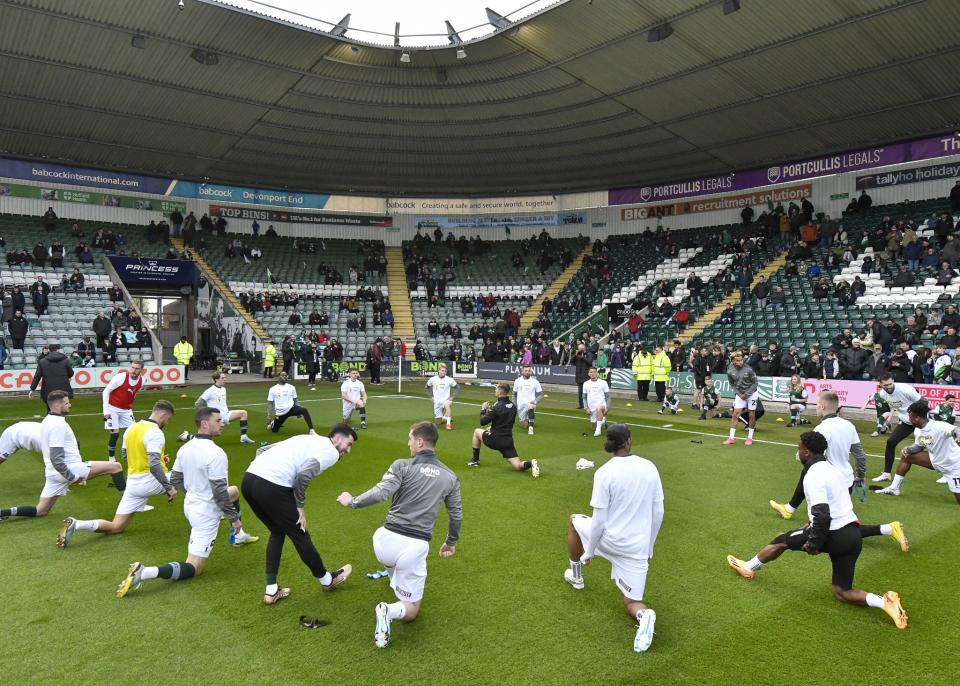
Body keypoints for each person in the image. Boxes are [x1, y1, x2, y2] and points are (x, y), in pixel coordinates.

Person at [726, 432, 908, 630]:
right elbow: (833, 506)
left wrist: (813, 544)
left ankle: (749, 567)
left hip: (833, 534)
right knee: (841, 591)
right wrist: (809, 526)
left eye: (798, 449)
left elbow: (822, 515)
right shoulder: (834, 469)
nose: (797, 453)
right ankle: (884, 602)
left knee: (781, 540)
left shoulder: (812, 475)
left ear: (806, 452)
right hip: (853, 536)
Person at [336, 421, 462, 649]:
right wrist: (450, 542)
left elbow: (381, 493)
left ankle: (395, 580)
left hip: (383, 542)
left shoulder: (402, 465)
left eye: (410, 439)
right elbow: (456, 515)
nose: (408, 443)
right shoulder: (450, 477)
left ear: (420, 442)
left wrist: (351, 501)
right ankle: (389, 610)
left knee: (395, 563)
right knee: (412, 611)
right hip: (412, 548)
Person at [115, 408, 258, 598]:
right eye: (218, 420)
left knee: (234, 491)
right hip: (205, 512)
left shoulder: (185, 448)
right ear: (205, 424)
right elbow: (219, 493)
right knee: (195, 567)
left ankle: (238, 537)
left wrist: (194, 491)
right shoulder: (216, 453)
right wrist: (234, 519)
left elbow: (175, 480)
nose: (222, 422)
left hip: (190, 506)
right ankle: (146, 572)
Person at [564, 424, 663, 653]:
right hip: (636, 548)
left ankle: (576, 576)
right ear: (628, 441)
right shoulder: (649, 467)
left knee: (573, 521)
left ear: (609, 444)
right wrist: (649, 546)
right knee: (631, 603)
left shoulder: (604, 473)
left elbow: (598, 521)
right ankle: (644, 615)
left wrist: (590, 551)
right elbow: (658, 512)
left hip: (610, 540)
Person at [242, 426, 358, 604]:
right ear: (336, 438)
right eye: (348, 444)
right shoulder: (331, 452)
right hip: (272, 485)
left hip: (249, 481)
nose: (348, 450)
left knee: (277, 531)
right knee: (300, 533)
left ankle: (271, 590)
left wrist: (265, 471)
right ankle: (328, 580)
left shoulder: (307, 438)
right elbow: (303, 476)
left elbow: (262, 449)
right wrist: (300, 507)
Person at [57, 401, 178, 547]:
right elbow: (153, 465)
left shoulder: (132, 428)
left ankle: (77, 524)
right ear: (164, 415)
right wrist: (168, 487)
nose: (167, 423)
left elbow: (126, 455)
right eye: (169, 419)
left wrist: (160, 460)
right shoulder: (155, 432)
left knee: (116, 527)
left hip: (133, 485)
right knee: (189, 472)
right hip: (151, 481)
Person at [0, 391, 122, 521]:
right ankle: (128, 504)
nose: (70, 405)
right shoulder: (58, 425)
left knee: (41, 510)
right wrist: (72, 477)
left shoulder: (48, 420)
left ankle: (3, 512)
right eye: (67, 403)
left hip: (52, 474)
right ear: (58, 406)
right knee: (116, 467)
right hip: (69, 469)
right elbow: (56, 458)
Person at [876, 400, 960, 504]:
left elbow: (956, 430)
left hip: (953, 465)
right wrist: (908, 449)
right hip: (935, 460)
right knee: (906, 456)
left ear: (917, 418)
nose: (908, 419)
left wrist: (958, 436)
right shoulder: (919, 430)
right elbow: (920, 446)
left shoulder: (939, 426)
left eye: (910, 417)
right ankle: (894, 488)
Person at [467, 383, 539, 476]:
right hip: (507, 441)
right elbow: (504, 422)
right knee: (517, 466)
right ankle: (531, 463)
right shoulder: (513, 406)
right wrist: (492, 427)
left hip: (495, 440)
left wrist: (483, 410)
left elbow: (482, 422)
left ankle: (475, 461)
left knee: (477, 431)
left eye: (496, 389)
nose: (495, 391)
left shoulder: (496, 407)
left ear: (500, 391)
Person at [102, 360, 146, 493]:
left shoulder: (143, 380)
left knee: (132, 433)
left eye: (136, 368)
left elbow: (134, 392)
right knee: (114, 433)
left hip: (127, 410)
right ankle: (111, 459)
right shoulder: (121, 377)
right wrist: (106, 411)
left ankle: (128, 455)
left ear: (141, 370)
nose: (133, 370)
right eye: (132, 367)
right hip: (112, 408)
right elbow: (106, 391)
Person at [872, 374, 922, 483]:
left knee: (931, 444)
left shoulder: (905, 389)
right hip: (906, 422)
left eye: (890, 383)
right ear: (880, 384)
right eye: (886, 385)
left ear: (893, 381)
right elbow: (891, 408)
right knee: (890, 442)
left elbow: (923, 401)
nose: (889, 387)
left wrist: (919, 418)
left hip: (920, 421)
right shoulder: (882, 394)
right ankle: (886, 474)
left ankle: (948, 472)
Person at [182, 372, 255, 444]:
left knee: (243, 413)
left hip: (225, 414)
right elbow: (197, 404)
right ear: (216, 380)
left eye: (225, 378)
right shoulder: (210, 391)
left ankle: (243, 437)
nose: (225, 379)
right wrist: (206, 414)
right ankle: (186, 436)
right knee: (207, 439)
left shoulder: (223, 389)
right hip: (215, 417)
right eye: (222, 378)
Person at [724, 352, 759, 446]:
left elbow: (755, 383)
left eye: (741, 360)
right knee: (735, 414)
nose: (740, 362)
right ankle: (731, 438)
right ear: (733, 361)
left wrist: (747, 394)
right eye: (737, 360)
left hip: (752, 394)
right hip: (740, 395)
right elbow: (732, 384)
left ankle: (750, 438)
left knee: (752, 415)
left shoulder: (749, 369)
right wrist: (739, 394)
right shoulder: (730, 370)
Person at [513, 365, 544, 435]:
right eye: (525, 371)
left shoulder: (535, 381)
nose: (527, 372)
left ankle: (531, 428)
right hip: (520, 406)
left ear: (531, 372)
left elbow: (541, 395)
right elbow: (514, 395)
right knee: (525, 425)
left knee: (531, 406)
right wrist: (514, 405)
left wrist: (535, 401)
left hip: (531, 404)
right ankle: (529, 420)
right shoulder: (517, 381)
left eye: (529, 371)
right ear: (522, 371)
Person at [426, 363, 458, 430]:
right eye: (442, 370)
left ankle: (448, 424)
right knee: (438, 422)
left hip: (446, 400)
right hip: (437, 402)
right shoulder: (433, 379)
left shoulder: (449, 379)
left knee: (447, 404)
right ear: (439, 370)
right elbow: (427, 387)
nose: (444, 372)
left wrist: (451, 397)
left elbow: (457, 387)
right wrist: (431, 397)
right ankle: (445, 417)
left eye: (445, 371)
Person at [582, 366, 611, 438]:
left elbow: (608, 397)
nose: (593, 373)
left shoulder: (603, 383)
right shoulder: (585, 384)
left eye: (594, 372)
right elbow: (584, 397)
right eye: (591, 372)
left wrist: (607, 407)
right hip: (591, 408)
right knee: (593, 428)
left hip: (602, 406)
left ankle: (598, 431)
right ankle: (602, 420)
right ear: (588, 374)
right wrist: (586, 408)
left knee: (599, 408)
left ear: (597, 373)